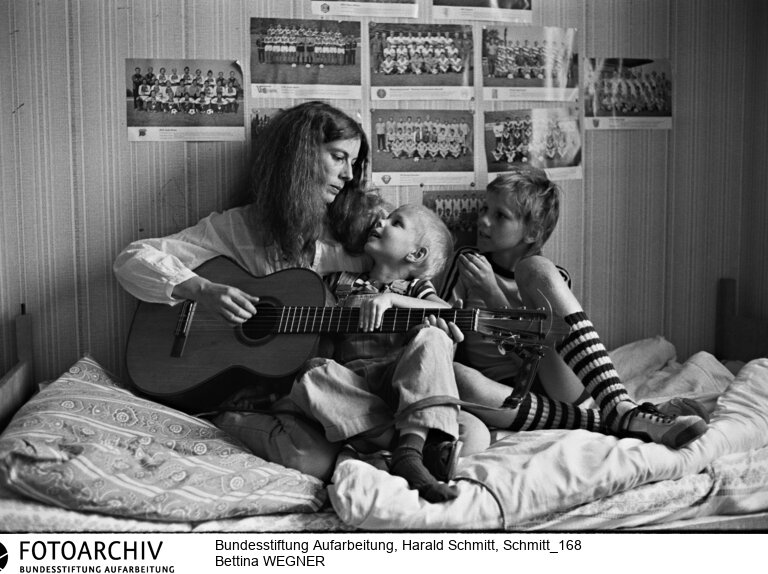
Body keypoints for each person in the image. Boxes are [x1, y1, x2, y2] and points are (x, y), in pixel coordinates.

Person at [115, 102, 385, 481]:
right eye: (339, 157)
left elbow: (408, 265)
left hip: (325, 380)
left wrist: (428, 312)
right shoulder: (239, 228)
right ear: (301, 155)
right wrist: (202, 289)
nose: (348, 174)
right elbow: (133, 259)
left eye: (354, 162)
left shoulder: (353, 230)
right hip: (258, 390)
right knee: (311, 460)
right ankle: (224, 415)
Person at [441, 167, 709, 449]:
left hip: (552, 380)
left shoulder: (550, 279)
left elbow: (532, 362)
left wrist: (494, 296)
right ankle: (610, 419)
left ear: (532, 232)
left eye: (500, 215)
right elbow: (444, 331)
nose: (482, 220)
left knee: (535, 267)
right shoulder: (469, 263)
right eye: (485, 208)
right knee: (457, 377)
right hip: (503, 393)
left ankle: (617, 403)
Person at [289, 204, 488, 503]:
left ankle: (403, 449)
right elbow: (322, 338)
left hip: (402, 389)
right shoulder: (339, 281)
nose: (380, 222)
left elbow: (446, 311)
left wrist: (392, 299)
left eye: (396, 222)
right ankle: (409, 450)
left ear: (415, 254)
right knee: (310, 373)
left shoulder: (414, 288)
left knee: (434, 335)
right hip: (355, 389)